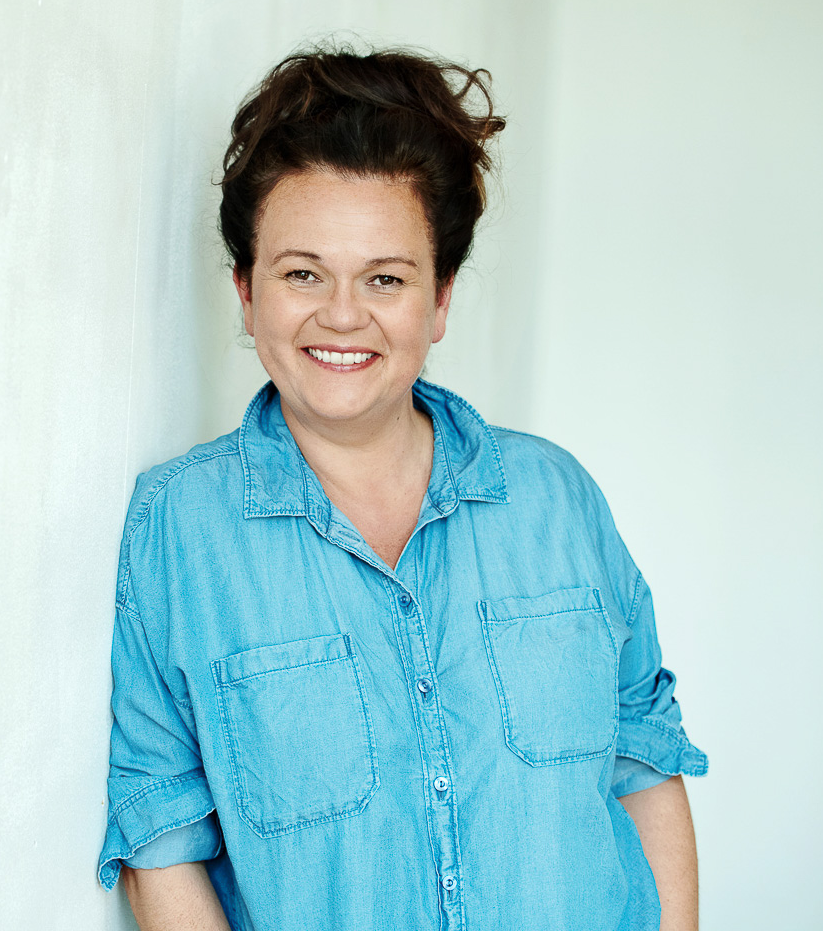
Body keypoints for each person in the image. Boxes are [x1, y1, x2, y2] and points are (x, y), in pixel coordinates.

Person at [97, 45, 708, 931]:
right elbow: (161, 844)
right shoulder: (180, 529)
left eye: (385, 278)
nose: (343, 314)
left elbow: (645, 762)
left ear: (441, 299)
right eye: (302, 273)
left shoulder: (557, 498)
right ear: (246, 292)